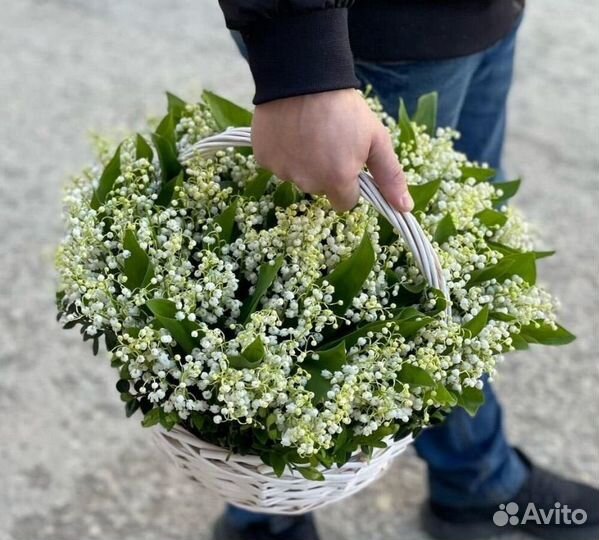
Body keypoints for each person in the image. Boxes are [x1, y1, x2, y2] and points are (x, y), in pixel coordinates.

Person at [212, 2, 599, 539]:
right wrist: (303, 59)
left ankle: (472, 481)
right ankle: (263, 517)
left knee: (453, 268)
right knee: (332, 303)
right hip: (370, 38)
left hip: (478, 20)